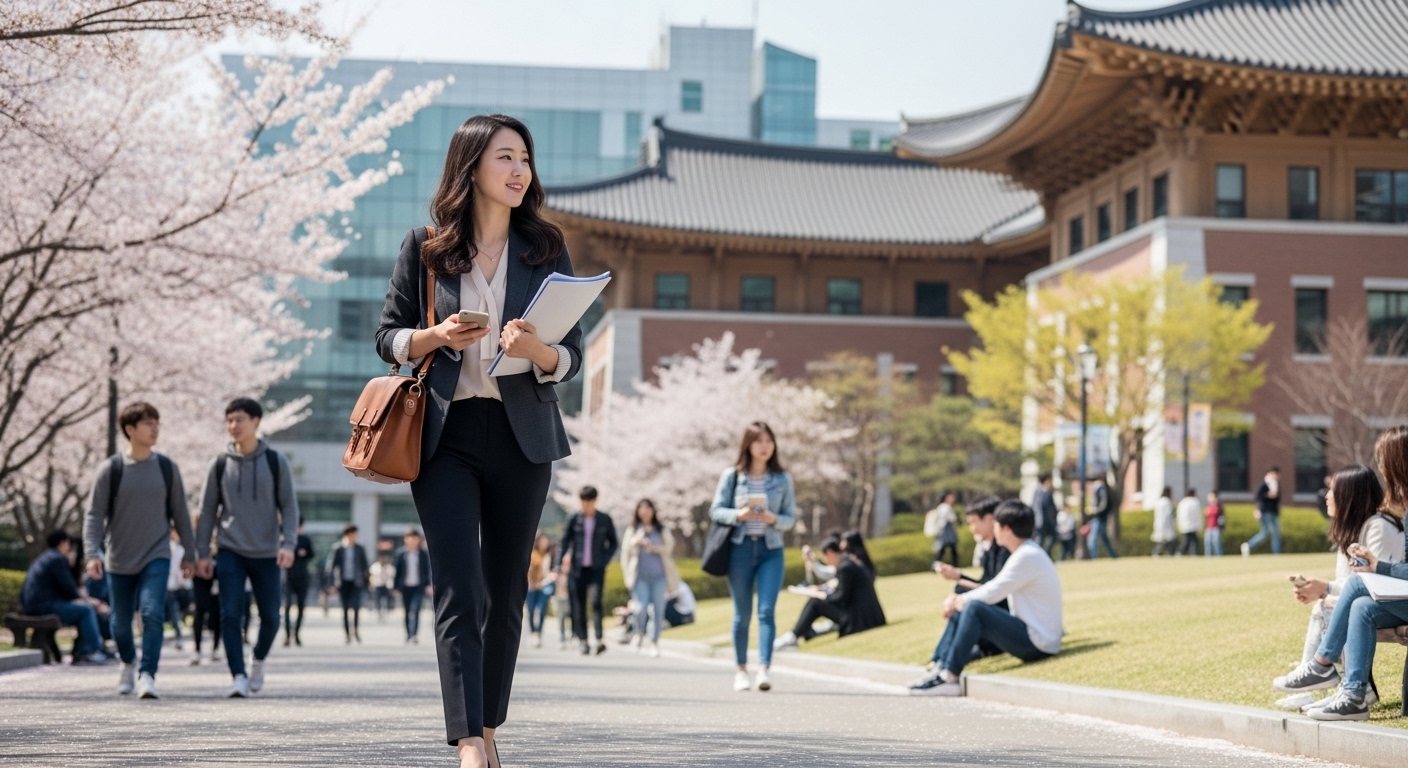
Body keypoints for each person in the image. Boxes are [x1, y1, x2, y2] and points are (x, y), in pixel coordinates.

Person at [374, 113, 585, 768]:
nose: (520, 170)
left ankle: (489, 728)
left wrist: (538, 350)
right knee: (458, 589)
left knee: (505, 593)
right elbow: (387, 336)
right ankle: (468, 741)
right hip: (446, 437)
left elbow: (571, 357)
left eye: (525, 158)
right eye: (505, 157)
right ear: (470, 167)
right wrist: (435, 337)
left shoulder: (545, 248)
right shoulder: (426, 248)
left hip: (523, 437)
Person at [1273, 428, 1408, 721]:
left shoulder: (1380, 525)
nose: (1382, 469)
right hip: (1397, 596)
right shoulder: (1362, 527)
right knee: (1359, 607)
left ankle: (1321, 666)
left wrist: (1376, 568)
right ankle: (1354, 693)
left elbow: (1383, 577)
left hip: (1398, 595)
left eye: (1384, 460)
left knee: (1347, 593)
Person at [83, 402, 196, 698]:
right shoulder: (112, 469)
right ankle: (128, 663)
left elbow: (181, 514)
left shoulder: (167, 468)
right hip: (119, 558)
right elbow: (94, 515)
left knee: (152, 613)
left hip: (156, 555)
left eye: (156, 422)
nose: (155, 428)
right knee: (120, 624)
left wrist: (190, 554)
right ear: (130, 429)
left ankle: (147, 674)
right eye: (148, 423)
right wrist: (92, 553)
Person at [195, 397, 300, 699]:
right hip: (230, 551)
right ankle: (238, 675)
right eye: (229, 420)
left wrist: (288, 544)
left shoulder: (275, 462)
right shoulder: (219, 464)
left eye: (239, 419)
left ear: (256, 421)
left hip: (267, 552)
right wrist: (203, 553)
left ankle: (258, 659)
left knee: (271, 617)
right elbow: (207, 512)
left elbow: (289, 507)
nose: (233, 426)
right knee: (230, 615)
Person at [910, 500, 1063, 696]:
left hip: (1040, 643)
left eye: (996, 524)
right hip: (1034, 636)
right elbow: (991, 587)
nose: (994, 528)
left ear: (1006, 529)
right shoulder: (1026, 552)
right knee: (966, 604)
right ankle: (940, 667)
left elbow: (993, 591)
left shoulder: (1026, 556)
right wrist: (960, 600)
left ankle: (949, 676)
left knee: (973, 606)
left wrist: (959, 600)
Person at [710, 421, 797, 693]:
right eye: (758, 441)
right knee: (742, 614)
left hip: (771, 551)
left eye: (769, 441)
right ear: (748, 444)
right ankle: (741, 670)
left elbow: (790, 518)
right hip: (740, 549)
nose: (764, 446)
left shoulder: (782, 479)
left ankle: (764, 669)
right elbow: (716, 510)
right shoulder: (732, 476)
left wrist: (774, 519)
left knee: (766, 611)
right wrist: (739, 515)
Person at [927, 497, 1007, 669]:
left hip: (1004, 614)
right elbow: (986, 584)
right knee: (961, 589)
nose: (972, 528)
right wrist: (957, 576)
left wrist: (960, 595)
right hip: (994, 607)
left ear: (990, 519)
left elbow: (997, 590)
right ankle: (941, 657)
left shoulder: (1004, 549)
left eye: (974, 522)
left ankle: (942, 658)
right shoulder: (989, 549)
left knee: (962, 598)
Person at [775, 535, 886, 650]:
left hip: (860, 621)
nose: (825, 560)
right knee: (817, 602)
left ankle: (793, 637)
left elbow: (841, 598)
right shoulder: (849, 563)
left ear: (830, 552)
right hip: (871, 618)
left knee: (815, 603)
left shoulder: (845, 568)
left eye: (824, 556)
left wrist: (820, 595)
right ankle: (799, 634)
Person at [21, 529, 113, 664]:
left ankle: (84, 649)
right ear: (63, 542)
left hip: (35, 606)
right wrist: (92, 602)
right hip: (45, 607)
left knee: (85, 608)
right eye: (68, 543)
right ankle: (91, 651)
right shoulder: (57, 559)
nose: (69, 547)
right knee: (86, 610)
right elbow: (70, 591)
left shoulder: (46, 557)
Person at [556, 486, 619, 656]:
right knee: (579, 605)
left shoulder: (604, 519)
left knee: (596, 602)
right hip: (577, 569)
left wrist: (604, 560)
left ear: (595, 501)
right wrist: (558, 565)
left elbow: (613, 543)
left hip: (596, 569)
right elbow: (564, 542)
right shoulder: (573, 519)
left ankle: (599, 639)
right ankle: (583, 640)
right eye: (583, 501)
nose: (586, 505)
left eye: (589, 502)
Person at [621, 499, 680, 658]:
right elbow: (625, 553)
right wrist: (636, 542)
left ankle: (654, 642)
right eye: (642, 508)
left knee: (658, 609)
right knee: (640, 608)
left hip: (660, 576)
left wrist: (652, 546)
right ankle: (638, 633)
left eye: (648, 508)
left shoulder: (661, 529)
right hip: (640, 576)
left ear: (653, 510)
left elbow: (669, 548)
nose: (645, 512)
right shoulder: (633, 529)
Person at [328, 525, 370, 643]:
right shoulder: (338, 548)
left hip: (356, 582)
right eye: (353, 534)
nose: (355, 537)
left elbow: (365, 565)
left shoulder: (359, 548)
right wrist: (331, 583)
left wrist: (367, 581)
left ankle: (355, 630)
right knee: (345, 608)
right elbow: (331, 566)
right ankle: (347, 633)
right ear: (347, 534)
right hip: (343, 583)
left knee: (356, 606)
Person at [394, 527, 431, 645]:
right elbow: (397, 572)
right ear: (405, 539)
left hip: (418, 587)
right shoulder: (401, 554)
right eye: (409, 538)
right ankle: (408, 633)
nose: (412, 540)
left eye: (415, 538)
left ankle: (414, 635)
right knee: (407, 611)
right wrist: (396, 588)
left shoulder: (423, 554)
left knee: (415, 610)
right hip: (405, 587)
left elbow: (427, 570)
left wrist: (428, 585)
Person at [283, 519, 314, 647]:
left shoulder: (305, 540)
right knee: (287, 606)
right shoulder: (285, 540)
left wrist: (305, 553)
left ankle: (296, 634)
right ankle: (287, 634)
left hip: (302, 577)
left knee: (301, 606)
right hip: (288, 577)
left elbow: (311, 555)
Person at [1244, 466, 1283, 556]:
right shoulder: (1264, 484)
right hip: (1265, 511)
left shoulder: (1276, 485)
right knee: (1265, 533)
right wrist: (1267, 497)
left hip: (1274, 511)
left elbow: (1277, 498)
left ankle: (1277, 553)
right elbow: (1258, 497)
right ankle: (1249, 545)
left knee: (1276, 533)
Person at [524, 533, 553, 649]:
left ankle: (539, 633)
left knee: (541, 610)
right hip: (531, 586)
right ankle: (533, 632)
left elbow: (550, 571)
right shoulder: (532, 554)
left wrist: (544, 581)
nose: (544, 544)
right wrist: (531, 583)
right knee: (531, 611)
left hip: (543, 586)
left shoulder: (549, 556)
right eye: (542, 541)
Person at [165, 529, 188, 652]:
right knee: (173, 614)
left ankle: (178, 637)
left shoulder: (178, 549)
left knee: (173, 613)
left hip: (171, 586)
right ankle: (178, 637)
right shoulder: (173, 548)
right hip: (169, 585)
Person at [1086, 476, 1118, 559]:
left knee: (1093, 539)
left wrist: (1094, 511)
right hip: (1099, 517)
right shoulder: (1100, 489)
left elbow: (1102, 505)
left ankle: (1094, 558)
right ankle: (1113, 556)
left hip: (1099, 517)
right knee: (1104, 538)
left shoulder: (1101, 489)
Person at [925, 493, 959, 567]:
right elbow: (951, 518)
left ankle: (935, 566)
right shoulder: (946, 507)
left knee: (946, 550)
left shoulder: (941, 507)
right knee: (945, 549)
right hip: (946, 531)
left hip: (943, 530)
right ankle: (935, 566)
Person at [551, 550, 574, 650]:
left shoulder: (572, 573)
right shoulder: (557, 572)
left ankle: (573, 637)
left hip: (570, 598)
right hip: (559, 597)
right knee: (561, 619)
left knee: (572, 618)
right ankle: (562, 639)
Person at [1032, 474, 1060, 556]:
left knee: (1041, 539)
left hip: (1041, 520)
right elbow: (1048, 508)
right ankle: (1044, 555)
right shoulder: (1045, 492)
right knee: (1044, 538)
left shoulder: (1038, 491)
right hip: (1045, 520)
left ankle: (1041, 555)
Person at [1175, 488, 1202, 557]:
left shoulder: (1182, 502)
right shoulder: (1194, 502)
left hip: (1184, 525)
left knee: (1190, 539)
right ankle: (1185, 552)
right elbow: (1196, 515)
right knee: (1191, 540)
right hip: (1192, 525)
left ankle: (1186, 552)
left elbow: (1179, 515)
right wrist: (1199, 525)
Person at [370, 552, 397, 621]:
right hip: (378, 585)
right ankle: (378, 611)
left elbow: (392, 574)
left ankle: (388, 609)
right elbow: (372, 575)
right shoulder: (375, 567)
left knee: (388, 599)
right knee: (378, 599)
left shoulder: (389, 567)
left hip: (387, 585)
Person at [1151, 486, 1176, 557]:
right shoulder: (1167, 501)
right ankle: (1157, 552)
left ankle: (1166, 553)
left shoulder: (1159, 501)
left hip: (1159, 524)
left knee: (1163, 541)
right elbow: (1168, 514)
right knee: (1166, 541)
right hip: (1166, 524)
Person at [1203, 491, 1225, 557]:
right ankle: (1208, 556)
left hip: (1216, 527)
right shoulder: (1207, 506)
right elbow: (1205, 517)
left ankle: (1219, 555)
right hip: (1208, 527)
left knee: (1216, 542)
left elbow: (1222, 517)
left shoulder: (1219, 506)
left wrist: (1222, 526)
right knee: (1208, 543)